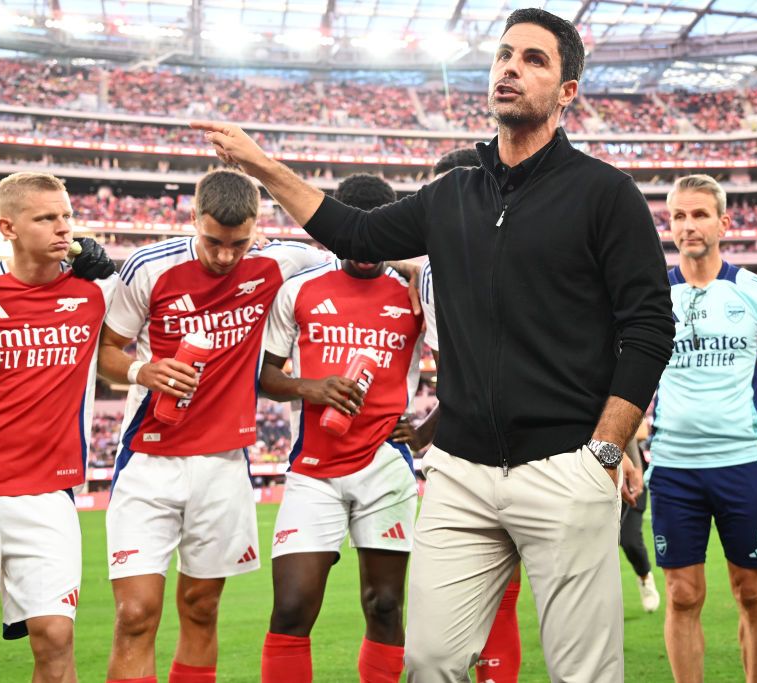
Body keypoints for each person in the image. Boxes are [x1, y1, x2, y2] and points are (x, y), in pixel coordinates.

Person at [193, 7, 675, 680]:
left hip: (564, 466)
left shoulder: (604, 193)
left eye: (535, 59)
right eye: (505, 55)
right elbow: (355, 234)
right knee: (430, 660)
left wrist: (605, 446)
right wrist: (261, 165)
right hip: (460, 474)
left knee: (582, 670)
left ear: (568, 91)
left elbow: (651, 324)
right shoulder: (453, 195)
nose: (511, 67)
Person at [97, 169, 333, 683]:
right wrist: (143, 370)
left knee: (202, 607)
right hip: (148, 460)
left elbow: (352, 255)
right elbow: (107, 352)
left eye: (238, 243)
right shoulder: (148, 267)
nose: (226, 256)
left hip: (225, 464)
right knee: (135, 614)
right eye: (213, 242)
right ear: (193, 220)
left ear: (258, 227)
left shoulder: (281, 260)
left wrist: (413, 274)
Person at [258, 174, 423, 683]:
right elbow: (262, 376)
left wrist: (427, 430)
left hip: (386, 467)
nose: (367, 247)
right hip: (314, 470)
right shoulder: (300, 290)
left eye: (380, 233)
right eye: (355, 233)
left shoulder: (416, 292)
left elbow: (463, 367)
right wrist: (311, 388)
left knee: (386, 605)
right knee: (290, 607)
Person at [0, 172, 115, 683]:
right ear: (7, 226)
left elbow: (127, 336)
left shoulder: (96, 289)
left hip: (48, 490)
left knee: (55, 636)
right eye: (46, 218)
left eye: (67, 216)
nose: (62, 228)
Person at [648, 174, 757, 683]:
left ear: (724, 222)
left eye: (700, 213)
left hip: (744, 462)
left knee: (751, 590)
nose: (689, 225)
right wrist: (620, 451)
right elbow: (632, 380)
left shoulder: (755, 292)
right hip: (672, 467)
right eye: (680, 215)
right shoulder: (651, 294)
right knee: (683, 594)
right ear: (670, 223)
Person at [400, 146, 526, 683]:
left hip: (542, 448)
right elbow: (460, 370)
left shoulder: (530, 249)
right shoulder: (430, 275)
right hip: (470, 453)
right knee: (474, 603)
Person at [620, 436, 660, 613]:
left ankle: (644, 577)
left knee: (630, 540)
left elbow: (639, 432)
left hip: (627, 470)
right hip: (586, 473)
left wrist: (637, 468)